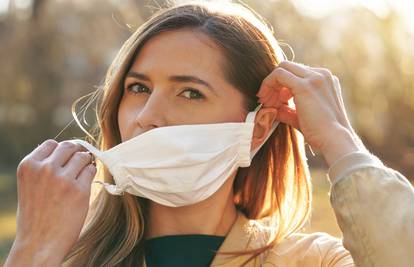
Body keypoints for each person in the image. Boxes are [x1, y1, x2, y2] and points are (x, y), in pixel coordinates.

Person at [5, 1, 414, 266]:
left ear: (256, 131)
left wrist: (341, 144)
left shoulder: (313, 261)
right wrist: (33, 252)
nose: (148, 116)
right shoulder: (66, 258)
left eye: (190, 92)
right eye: (138, 88)